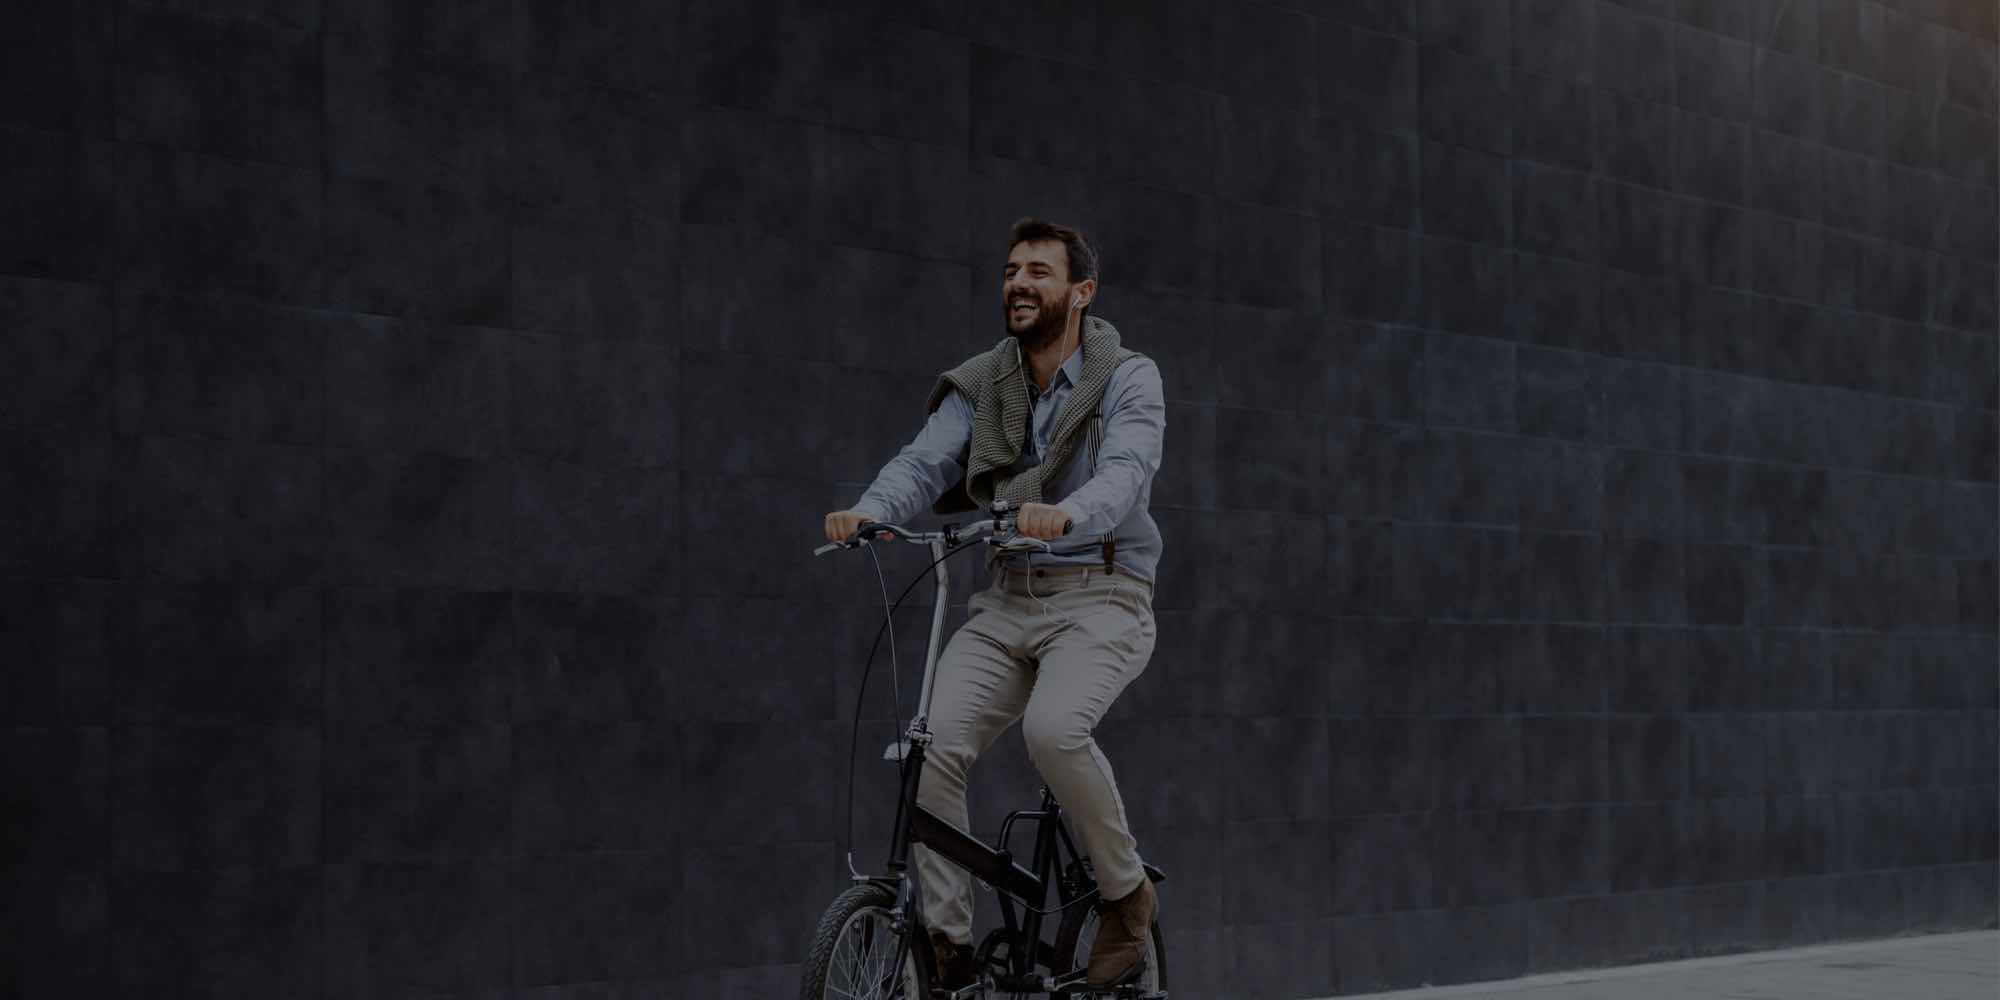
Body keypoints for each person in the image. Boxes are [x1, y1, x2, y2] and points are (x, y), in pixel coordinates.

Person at [822, 217, 1168, 989]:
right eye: (1012, 270)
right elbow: (925, 459)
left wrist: (1068, 514)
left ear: (1082, 293)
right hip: (1008, 600)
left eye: (1039, 272)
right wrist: (872, 508)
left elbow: (1127, 471)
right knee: (929, 745)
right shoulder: (987, 382)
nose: (1018, 283)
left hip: (1104, 595)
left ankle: (1125, 893)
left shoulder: (1128, 378)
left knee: (1054, 729)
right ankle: (948, 947)